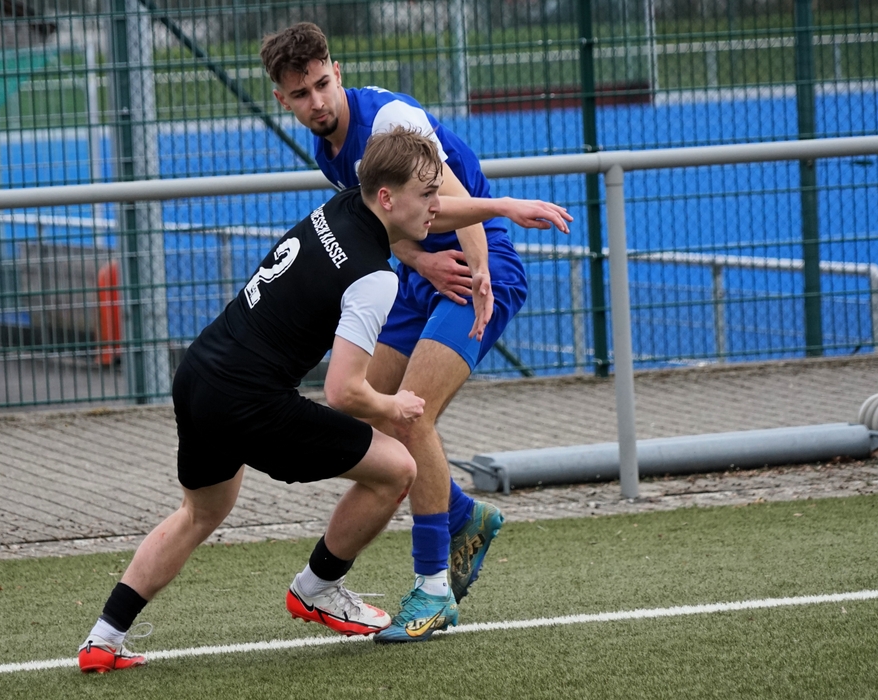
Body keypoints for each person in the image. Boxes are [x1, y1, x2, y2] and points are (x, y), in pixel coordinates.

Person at [77, 127, 446, 672]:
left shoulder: (344, 203)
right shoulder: (374, 278)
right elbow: (343, 391)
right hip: (248, 400)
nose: (439, 206)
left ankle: (103, 639)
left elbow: (413, 212)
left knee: (200, 512)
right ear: (388, 198)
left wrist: (501, 207)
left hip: (199, 373)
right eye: (429, 194)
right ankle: (317, 588)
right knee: (397, 469)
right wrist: (395, 407)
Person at [260, 23, 573, 644]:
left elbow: (453, 201)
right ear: (282, 100)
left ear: (337, 72)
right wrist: (419, 262)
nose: (316, 102)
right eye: (300, 94)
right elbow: (389, 226)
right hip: (424, 271)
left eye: (322, 85)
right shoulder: (328, 149)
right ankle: (462, 514)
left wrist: (480, 272)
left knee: (412, 414)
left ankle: (433, 590)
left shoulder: (389, 122)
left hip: (475, 264)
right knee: (365, 413)